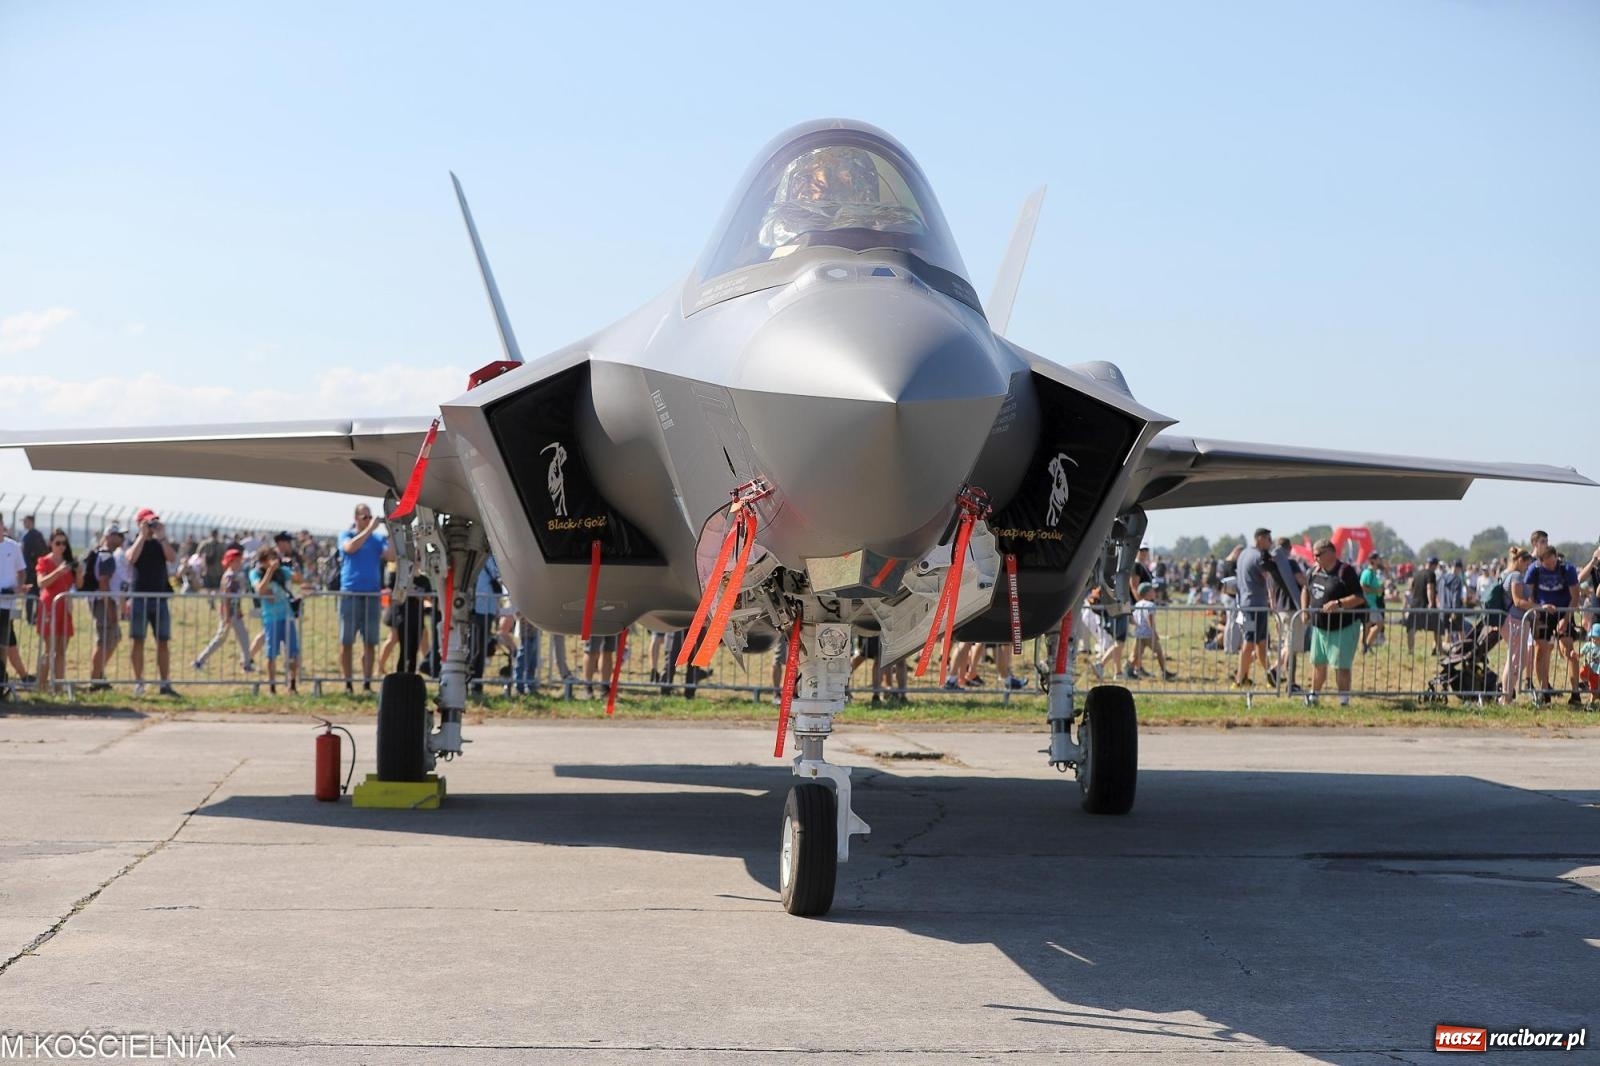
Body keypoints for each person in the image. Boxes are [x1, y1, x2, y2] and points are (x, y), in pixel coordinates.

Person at [336, 503, 392, 693]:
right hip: (350, 593)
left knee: (370, 641)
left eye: (370, 517)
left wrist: (393, 531)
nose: (368, 520)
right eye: (364, 517)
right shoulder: (347, 535)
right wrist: (369, 529)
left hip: (372, 594)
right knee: (347, 641)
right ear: (356, 518)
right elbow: (350, 548)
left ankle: (367, 683)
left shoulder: (377, 539)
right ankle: (348, 683)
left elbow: (391, 556)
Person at [1302, 538, 1364, 706]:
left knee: (1341, 666)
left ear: (1330, 553)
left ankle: (1344, 701)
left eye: (1317, 555)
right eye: (1313, 555)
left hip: (1342, 628)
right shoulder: (1313, 571)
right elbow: (1305, 590)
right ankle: (1313, 696)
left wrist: (1339, 604)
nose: (1315, 558)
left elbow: (1359, 598)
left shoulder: (1345, 571)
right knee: (1317, 664)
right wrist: (1305, 610)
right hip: (1319, 628)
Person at [125, 508, 179, 697]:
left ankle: (165, 683)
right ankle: (139, 682)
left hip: (160, 598)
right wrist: (142, 535)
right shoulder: (135, 543)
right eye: (148, 522)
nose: (151, 526)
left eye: (154, 522)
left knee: (163, 641)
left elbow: (172, 558)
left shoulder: (159, 544)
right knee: (138, 640)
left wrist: (162, 536)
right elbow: (131, 558)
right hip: (139, 598)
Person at [1524, 545, 1581, 705]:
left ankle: (1575, 692)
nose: (1551, 566)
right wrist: (1538, 608)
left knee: (1568, 650)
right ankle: (1544, 691)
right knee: (1541, 650)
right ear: (1540, 561)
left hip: (1564, 610)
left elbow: (1575, 595)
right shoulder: (1533, 570)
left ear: (1556, 557)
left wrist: (1566, 618)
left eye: (1553, 563)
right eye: (1547, 565)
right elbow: (1527, 595)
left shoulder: (1567, 569)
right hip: (1543, 613)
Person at [193, 548, 254, 675]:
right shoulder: (229, 576)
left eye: (240, 561)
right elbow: (225, 597)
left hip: (235, 612)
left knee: (243, 637)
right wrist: (227, 616)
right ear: (230, 562)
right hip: (229, 613)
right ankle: (199, 661)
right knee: (221, 638)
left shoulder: (235, 575)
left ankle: (246, 663)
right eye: (237, 561)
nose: (240, 563)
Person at [250, 544, 301, 694]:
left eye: (275, 557)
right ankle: (272, 687)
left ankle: (292, 684)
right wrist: (270, 571)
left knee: (292, 652)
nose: (274, 561)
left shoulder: (282, 572)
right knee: (271, 653)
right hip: (270, 617)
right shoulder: (256, 573)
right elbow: (260, 589)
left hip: (287, 616)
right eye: (270, 559)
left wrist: (293, 565)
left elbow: (299, 579)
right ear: (263, 561)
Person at [34, 529, 79, 691]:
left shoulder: (69, 562)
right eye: (57, 543)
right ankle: (41, 685)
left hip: (65, 609)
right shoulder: (44, 561)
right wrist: (58, 572)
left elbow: (78, 585)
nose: (61, 547)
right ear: (51, 544)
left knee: (61, 651)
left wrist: (79, 571)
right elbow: (41, 583)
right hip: (49, 608)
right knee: (49, 650)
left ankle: (58, 687)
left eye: (64, 543)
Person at [82, 524, 124, 691]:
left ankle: (98, 674)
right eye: (118, 535)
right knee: (103, 641)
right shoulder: (106, 556)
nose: (121, 538)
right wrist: (110, 608)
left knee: (114, 638)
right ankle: (95, 679)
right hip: (103, 602)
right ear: (109, 536)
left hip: (104, 601)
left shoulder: (105, 554)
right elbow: (104, 582)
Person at [1500, 547, 1534, 705]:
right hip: (1516, 621)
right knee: (1514, 660)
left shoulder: (1505, 573)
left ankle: (1507, 695)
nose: (1528, 565)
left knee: (1517, 658)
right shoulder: (1516, 576)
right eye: (1527, 562)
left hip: (1512, 621)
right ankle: (1506, 696)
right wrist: (1539, 607)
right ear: (1520, 560)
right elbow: (1518, 601)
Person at [0, 523, 28, 696]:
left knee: (3, 645)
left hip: (6, 605)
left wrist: (18, 587)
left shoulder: (13, 547)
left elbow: (22, 571)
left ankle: (2, 682)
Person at [1130, 582, 1175, 681]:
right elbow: (1150, 620)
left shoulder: (1138, 604)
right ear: (1147, 593)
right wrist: (1154, 633)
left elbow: (1133, 619)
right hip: (1148, 634)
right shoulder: (1150, 605)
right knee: (1159, 652)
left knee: (1137, 654)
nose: (1155, 592)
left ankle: (1129, 671)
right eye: (1152, 590)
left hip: (1139, 633)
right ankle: (1164, 672)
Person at [1404, 556, 1441, 655]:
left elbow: (1411, 588)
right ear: (1434, 565)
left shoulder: (1417, 574)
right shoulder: (1431, 574)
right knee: (1437, 628)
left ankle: (1410, 651)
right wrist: (1431, 603)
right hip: (1425, 605)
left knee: (1411, 628)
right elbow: (1430, 588)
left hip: (1415, 604)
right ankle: (1440, 650)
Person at [18, 515, 46, 627]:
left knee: (33, 595)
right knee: (33, 595)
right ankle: (33, 618)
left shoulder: (34, 536)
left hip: (32, 571)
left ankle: (33, 618)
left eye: (25, 521)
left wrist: (34, 564)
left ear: (31, 522)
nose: (24, 524)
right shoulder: (29, 536)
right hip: (31, 570)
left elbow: (42, 552)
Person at [1358, 553, 1387, 654]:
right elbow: (1362, 587)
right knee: (1379, 623)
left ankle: (1365, 646)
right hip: (1368, 604)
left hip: (1372, 604)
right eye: (1379, 559)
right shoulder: (1368, 573)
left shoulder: (1373, 573)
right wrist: (1376, 590)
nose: (1380, 561)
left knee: (1368, 625)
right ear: (1373, 560)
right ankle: (1366, 645)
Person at [1437, 558, 1467, 639]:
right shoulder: (1457, 580)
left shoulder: (1442, 578)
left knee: (1447, 631)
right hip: (1454, 609)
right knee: (1460, 631)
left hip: (1443, 608)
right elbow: (1455, 597)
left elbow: (1439, 594)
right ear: (1458, 568)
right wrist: (1455, 610)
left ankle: (1447, 650)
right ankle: (1463, 650)